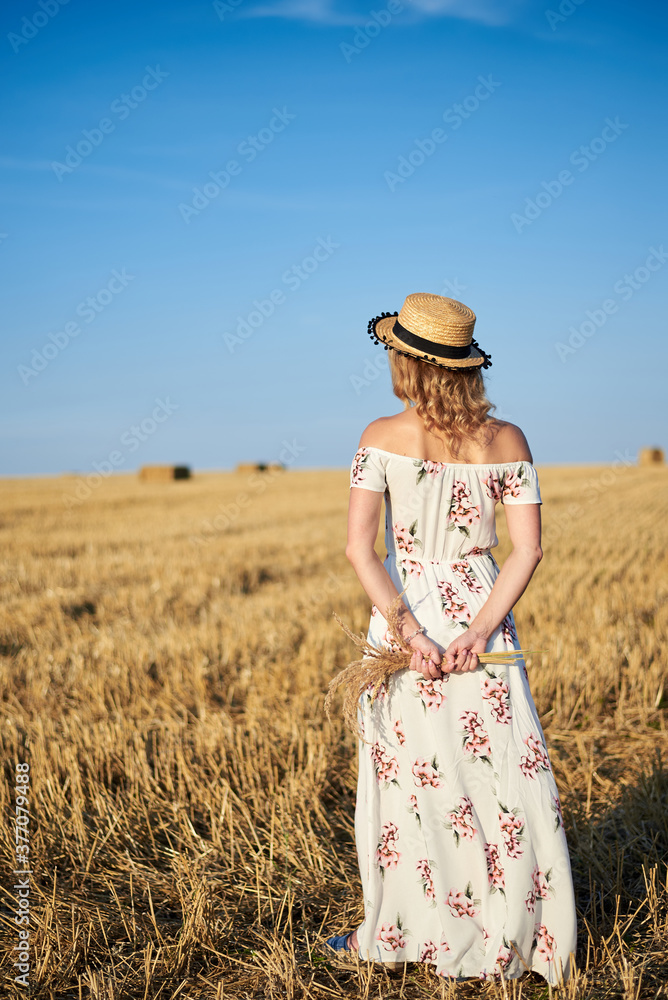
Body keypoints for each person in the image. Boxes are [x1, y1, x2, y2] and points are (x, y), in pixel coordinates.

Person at [325, 294, 577, 983]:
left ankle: (412, 930)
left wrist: (409, 632)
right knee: (500, 775)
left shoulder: (378, 435)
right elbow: (527, 551)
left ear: (408, 364)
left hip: (406, 618)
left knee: (413, 779)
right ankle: (518, 938)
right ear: (465, 367)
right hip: (482, 612)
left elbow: (359, 549)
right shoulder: (509, 441)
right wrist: (477, 629)